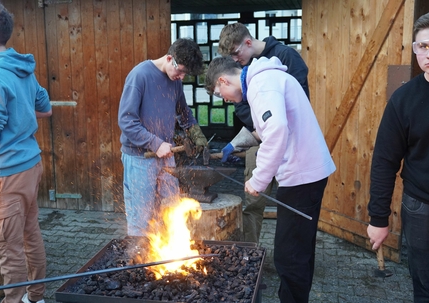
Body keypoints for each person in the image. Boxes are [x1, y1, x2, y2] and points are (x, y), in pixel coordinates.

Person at [205, 55, 336, 303]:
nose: (223, 98)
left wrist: (257, 180)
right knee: (300, 250)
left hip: (301, 177)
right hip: (307, 174)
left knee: (289, 257)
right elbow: (263, 129)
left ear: (223, 80)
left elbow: (276, 130)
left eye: (218, 92)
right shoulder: (265, 79)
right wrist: (233, 145)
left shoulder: (261, 84)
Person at [0, 9, 52, 303]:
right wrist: (19, 115)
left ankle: (14, 300)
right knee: (31, 235)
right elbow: (45, 108)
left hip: (5, 176)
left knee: (9, 247)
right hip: (31, 167)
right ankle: (37, 297)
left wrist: (11, 118)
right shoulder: (23, 66)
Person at [217, 22, 310, 243]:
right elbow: (241, 108)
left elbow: (295, 105)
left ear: (248, 42)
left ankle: (289, 253)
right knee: (253, 201)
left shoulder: (286, 56)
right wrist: (250, 134)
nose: (235, 60)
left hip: (289, 145)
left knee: (290, 202)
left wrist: (266, 120)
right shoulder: (242, 71)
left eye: (235, 53)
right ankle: (251, 252)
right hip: (259, 144)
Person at [367, 12, 429, 302]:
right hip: (421, 209)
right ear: (415, 49)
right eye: (423, 46)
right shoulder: (404, 100)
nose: (428, 54)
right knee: (425, 285)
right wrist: (378, 219)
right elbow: (384, 161)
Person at [118, 38, 207, 237]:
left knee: (170, 213)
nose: (182, 77)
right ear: (169, 58)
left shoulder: (175, 81)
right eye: (181, 71)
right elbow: (126, 121)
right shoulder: (140, 76)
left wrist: (196, 134)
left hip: (166, 157)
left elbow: (183, 112)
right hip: (141, 158)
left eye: (186, 74)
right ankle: (139, 264)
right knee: (141, 219)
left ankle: (167, 264)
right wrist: (155, 143)